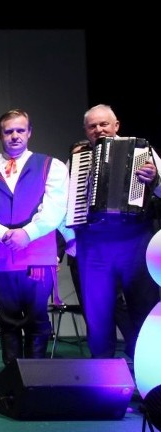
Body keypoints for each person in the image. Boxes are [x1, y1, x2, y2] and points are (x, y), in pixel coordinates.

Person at [0, 109, 68, 365]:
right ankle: (13, 386)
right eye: (8, 131)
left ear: (29, 133)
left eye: (20, 130)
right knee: (8, 321)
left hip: (37, 258)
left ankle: (37, 382)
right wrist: (3, 234)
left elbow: (55, 208)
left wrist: (27, 233)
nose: (14, 136)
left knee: (37, 320)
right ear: (0, 134)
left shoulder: (50, 166)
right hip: (1, 257)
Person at [68, 104, 160, 359]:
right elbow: (70, 200)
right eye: (92, 126)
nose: (99, 130)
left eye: (104, 124)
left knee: (144, 309)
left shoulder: (142, 150)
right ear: (86, 130)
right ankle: (103, 380)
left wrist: (154, 180)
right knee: (97, 316)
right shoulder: (79, 157)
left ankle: (149, 379)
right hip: (95, 244)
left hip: (135, 241)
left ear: (116, 125)